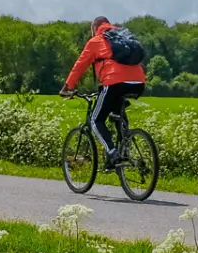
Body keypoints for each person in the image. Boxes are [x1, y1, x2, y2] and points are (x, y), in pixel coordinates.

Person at [60, 16, 148, 164]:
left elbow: (80, 65)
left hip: (114, 82)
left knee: (96, 119)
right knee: (117, 112)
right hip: (138, 83)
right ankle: (125, 150)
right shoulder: (123, 38)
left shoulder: (96, 41)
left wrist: (67, 87)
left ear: (94, 29)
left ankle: (113, 153)